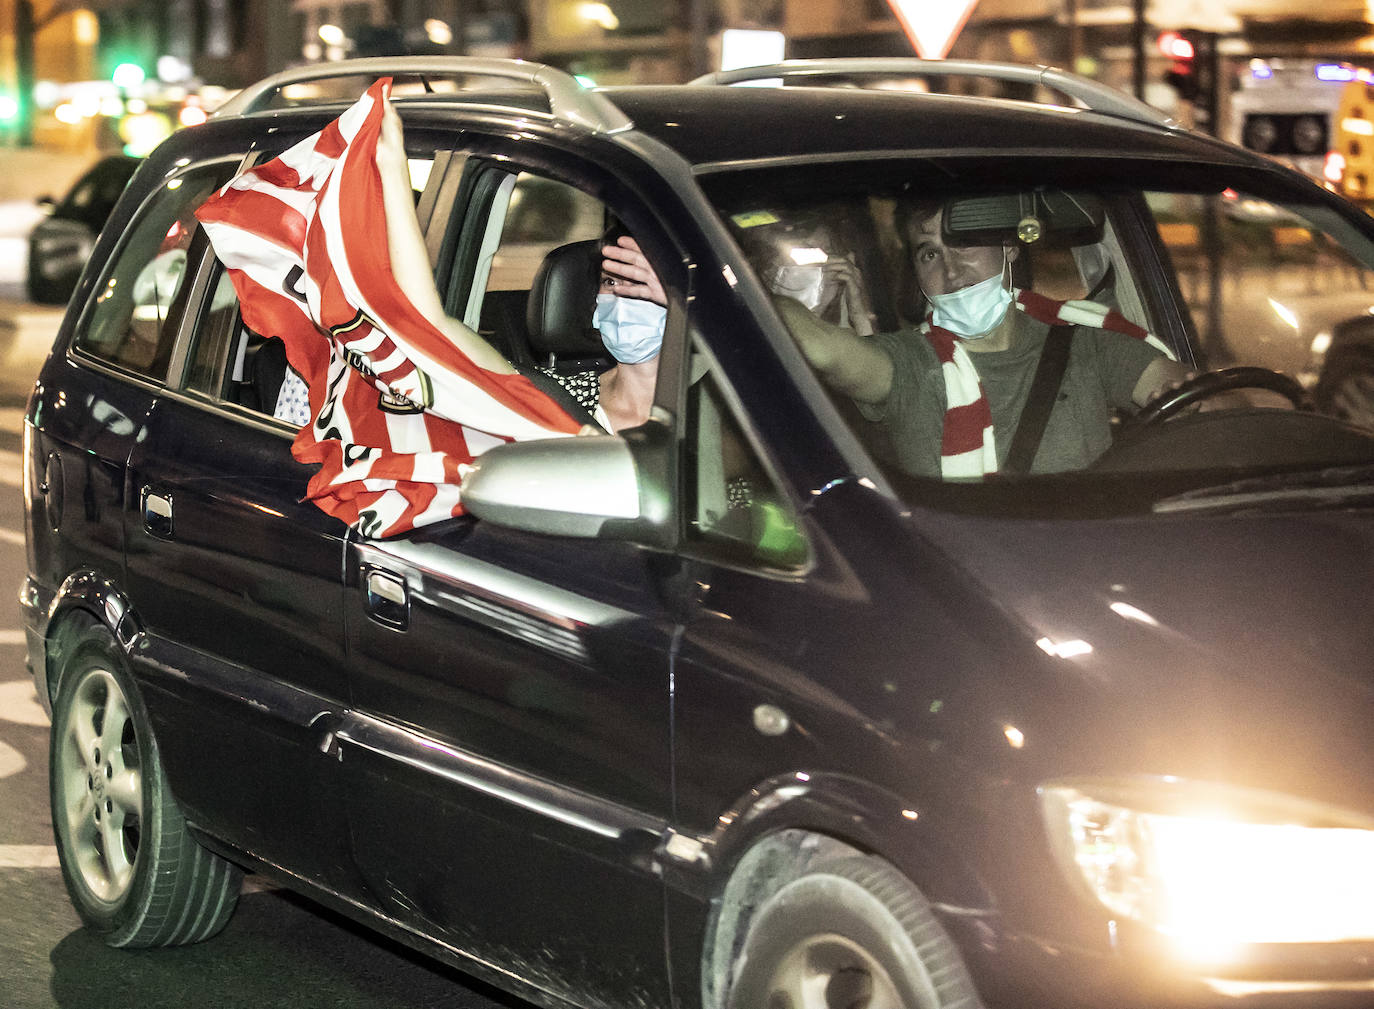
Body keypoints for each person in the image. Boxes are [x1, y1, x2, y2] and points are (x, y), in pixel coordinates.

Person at [776, 198, 1191, 478]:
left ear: (1009, 246)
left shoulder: (1086, 341)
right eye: (929, 253)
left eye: (965, 243)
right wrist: (794, 288)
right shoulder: (909, 361)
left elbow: (1197, 401)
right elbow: (820, 349)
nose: (952, 270)